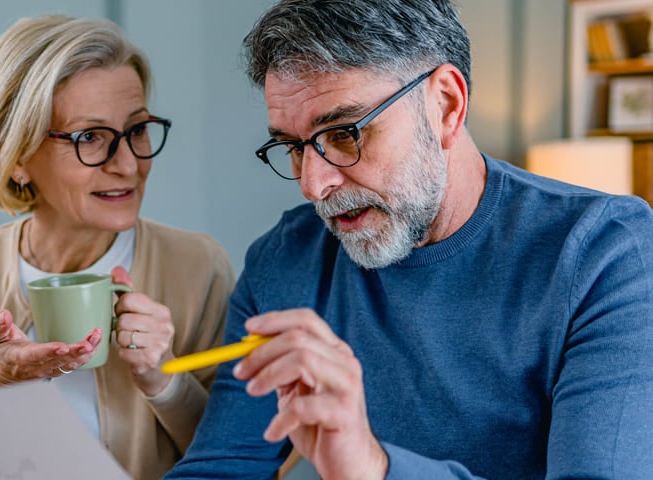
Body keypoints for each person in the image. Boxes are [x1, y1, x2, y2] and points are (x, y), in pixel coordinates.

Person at [166, 1, 653, 479]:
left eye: (345, 133)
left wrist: (373, 467)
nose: (313, 185)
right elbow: (221, 468)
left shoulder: (606, 252)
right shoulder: (285, 260)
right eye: (293, 147)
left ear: (445, 105)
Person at [0, 15, 234, 480]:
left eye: (137, 130)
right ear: (17, 156)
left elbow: (245, 464)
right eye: (90, 137)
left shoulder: (198, 267)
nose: (128, 165)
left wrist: (165, 381)